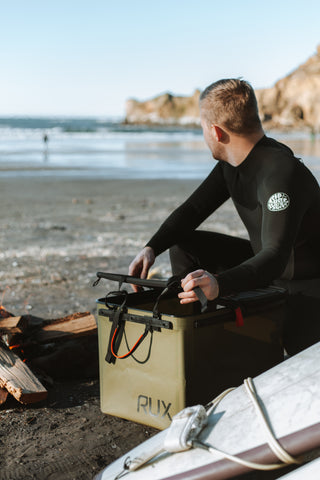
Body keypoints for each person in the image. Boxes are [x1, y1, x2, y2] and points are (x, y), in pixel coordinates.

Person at [129, 79, 320, 354]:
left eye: (202, 128)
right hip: (268, 269)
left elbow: (276, 256)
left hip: (306, 286)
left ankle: (208, 333)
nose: (203, 135)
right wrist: (151, 247)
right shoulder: (233, 164)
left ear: (216, 132)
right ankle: (192, 334)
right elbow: (193, 210)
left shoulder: (281, 173)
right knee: (184, 244)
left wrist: (220, 284)